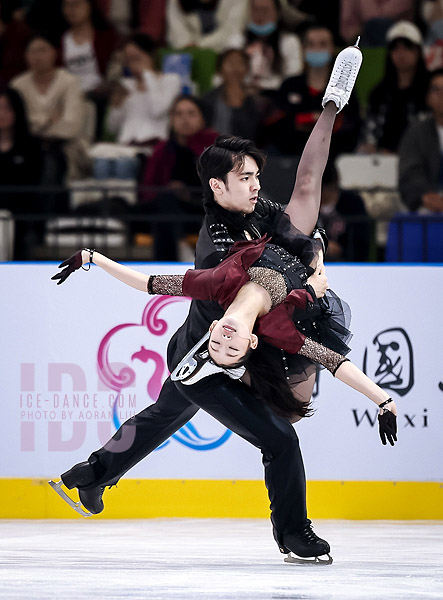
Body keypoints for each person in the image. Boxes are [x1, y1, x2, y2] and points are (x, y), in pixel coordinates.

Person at [49, 43, 363, 564]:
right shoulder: (217, 245)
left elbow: (307, 227)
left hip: (219, 349)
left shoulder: (256, 206)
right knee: (280, 440)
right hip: (208, 359)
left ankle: (89, 475)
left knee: (161, 418)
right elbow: (261, 266)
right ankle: (294, 534)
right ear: (217, 186)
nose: (257, 185)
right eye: (246, 178)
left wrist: (318, 258)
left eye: (258, 176)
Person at [136, 94, 218, 261]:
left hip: (202, 210)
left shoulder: (214, 146)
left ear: (203, 119)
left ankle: (167, 263)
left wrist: (189, 194)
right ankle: (177, 251)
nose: (184, 119)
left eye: (191, 114)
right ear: (171, 120)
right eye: (178, 114)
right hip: (166, 208)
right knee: (166, 200)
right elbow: (147, 190)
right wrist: (169, 190)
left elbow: (223, 187)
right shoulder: (162, 149)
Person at [11, 34, 90, 185]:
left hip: (64, 147)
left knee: (50, 163)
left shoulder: (70, 82)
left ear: (55, 52)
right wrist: (48, 120)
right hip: (26, 146)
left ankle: (47, 209)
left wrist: (33, 123)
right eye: (32, 51)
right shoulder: (18, 85)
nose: (37, 56)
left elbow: (71, 127)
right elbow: (16, 126)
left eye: (42, 50)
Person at [270, 25, 361, 157]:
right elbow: (278, 125)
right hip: (291, 157)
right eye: (311, 44)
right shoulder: (289, 86)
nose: (316, 49)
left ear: (332, 49)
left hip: (331, 158)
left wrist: (308, 122)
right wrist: (310, 119)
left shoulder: (345, 89)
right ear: (303, 49)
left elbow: (350, 126)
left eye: (323, 44)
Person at [359, 21, 429, 154]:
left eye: (407, 47)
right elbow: (369, 133)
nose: (401, 53)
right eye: (395, 48)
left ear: (419, 51)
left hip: (421, 160)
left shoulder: (430, 90)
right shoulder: (379, 93)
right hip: (382, 161)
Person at [60, 0, 120, 139]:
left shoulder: (107, 36)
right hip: (70, 97)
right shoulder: (60, 40)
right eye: (67, 6)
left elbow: (115, 70)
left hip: (101, 95)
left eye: (76, 4)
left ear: (90, 6)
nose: (71, 10)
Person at [0, 86, 42, 258]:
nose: (2, 114)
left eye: (7, 108)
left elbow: (32, 185)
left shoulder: (31, 148)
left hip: (20, 216)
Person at [227, 0, 303, 93]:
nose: (260, 15)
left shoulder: (290, 42)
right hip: (243, 96)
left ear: (278, 13)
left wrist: (264, 86)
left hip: (279, 97)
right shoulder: (237, 41)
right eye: (256, 10)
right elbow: (225, 75)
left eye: (265, 10)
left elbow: (293, 78)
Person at [398, 67, 443, 213]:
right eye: (436, 90)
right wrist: (425, 195)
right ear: (428, 97)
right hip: (427, 201)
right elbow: (410, 171)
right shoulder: (416, 133)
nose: (442, 95)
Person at [202, 48, 261, 142]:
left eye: (240, 63)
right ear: (219, 69)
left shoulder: (257, 99)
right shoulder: (207, 99)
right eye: (230, 63)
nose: (235, 67)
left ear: (247, 69)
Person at [318, 161, 370, 262]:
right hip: (313, 262)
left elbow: (361, 241)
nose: (323, 194)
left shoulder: (353, 203)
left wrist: (341, 249)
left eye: (328, 189)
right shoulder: (305, 204)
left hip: (346, 262)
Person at [166, 0, 248, 53]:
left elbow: (231, 30)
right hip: (186, 52)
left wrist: (199, 45)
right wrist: (188, 47)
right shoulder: (174, 2)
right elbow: (177, 33)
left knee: (236, 40)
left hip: (224, 52)